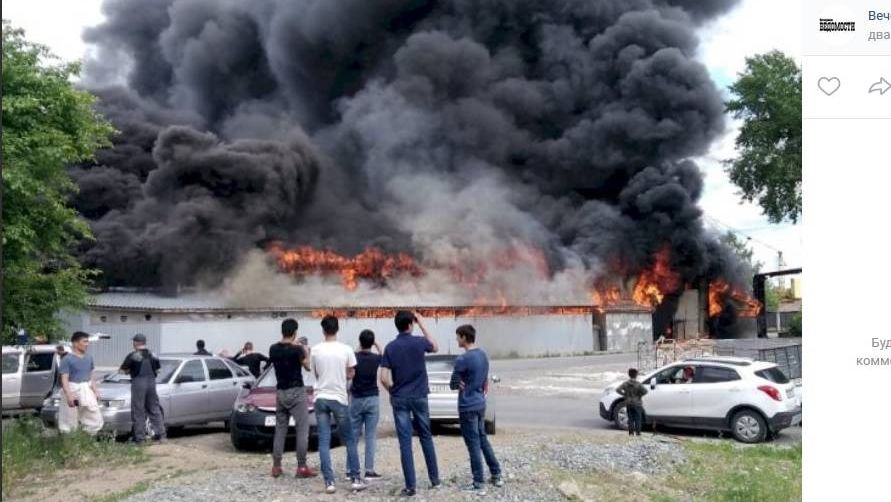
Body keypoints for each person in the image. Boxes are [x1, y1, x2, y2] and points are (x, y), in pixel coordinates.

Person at [380, 310, 441, 497]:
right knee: (425, 437)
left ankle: (411, 486)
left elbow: (383, 377)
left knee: (405, 442)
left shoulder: (390, 347)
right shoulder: (419, 343)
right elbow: (435, 347)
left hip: (400, 398)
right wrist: (422, 323)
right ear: (410, 325)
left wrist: (393, 391)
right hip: (420, 396)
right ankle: (435, 479)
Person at [312, 315, 365, 494]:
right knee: (349, 439)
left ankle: (329, 482)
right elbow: (351, 373)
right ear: (337, 329)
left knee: (324, 441)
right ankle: (356, 479)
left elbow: (316, 374)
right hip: (339, 398)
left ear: (323, 330)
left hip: (320, 398)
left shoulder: (315, 350)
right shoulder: (346, 349)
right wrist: (343, 375)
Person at [450, 325, 503, 495]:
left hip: (467, 406)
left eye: (458, 337)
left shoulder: (462, 359)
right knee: (482, 440)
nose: (457, 340)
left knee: (473, 444)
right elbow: (485, 381)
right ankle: (496, 474)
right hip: (480, 404)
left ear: (464, 337)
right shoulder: (483, 355)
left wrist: (459, 382)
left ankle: (478, 482)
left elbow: (453, 383)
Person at [268, 319, 317, 479]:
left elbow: (281, 347)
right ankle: (302, 467)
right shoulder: (297, 350)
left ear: (282, 331)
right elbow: (308, 366)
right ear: (295, 332)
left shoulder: (273, 349)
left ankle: (276, 466)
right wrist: (305, 349)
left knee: (280, 429)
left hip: (280, 392)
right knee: (302, 429)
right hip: (296, 391)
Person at [119, 334, 166, 444]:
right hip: (151, 383)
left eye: (133, 342)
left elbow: (121, 370)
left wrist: (129, 371)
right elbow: (158, 371)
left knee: (138, 410)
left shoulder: (133, 355)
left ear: (136, 343)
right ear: (144, 342)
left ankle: (140, 438)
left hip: (138, 383)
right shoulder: (153, 354)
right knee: (154, 408)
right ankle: (162, 436)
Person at [350, 329, 383, 480]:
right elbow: (383, 354)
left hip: (356, 398)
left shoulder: (354, 357)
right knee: (370, 435)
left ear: (360, 342)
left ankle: (350, 469)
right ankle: (369, 469)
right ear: (371, 343)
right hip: (372, 398)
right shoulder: (376, 358)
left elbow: (351, 358)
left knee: (354, 435)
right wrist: (375, 342)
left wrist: (359, 345)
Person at [58, 331, 104, 434]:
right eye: (84, 341)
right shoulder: (67, 359)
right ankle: (70, 442)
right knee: (69, 419)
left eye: (88, 342)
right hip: (72, 389)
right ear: (75, 343)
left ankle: (87, 440)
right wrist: (69, 395)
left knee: (94, 417)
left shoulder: (89, 357)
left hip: (86, 389)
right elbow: (64, 379)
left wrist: (96, 391)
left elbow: (91, 376)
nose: (87, 344)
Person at [616, 368, 648, 436]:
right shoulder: (638, 384)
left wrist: (624, 394)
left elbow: (618, 389)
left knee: (630, 419)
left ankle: (631, 433)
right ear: (636, 375)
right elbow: (645, 391)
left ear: (629, 375)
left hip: (628, 403)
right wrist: (639, 395)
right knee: (638, 419)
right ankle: (638, 433)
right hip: (637, 403)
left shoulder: (625, 383)